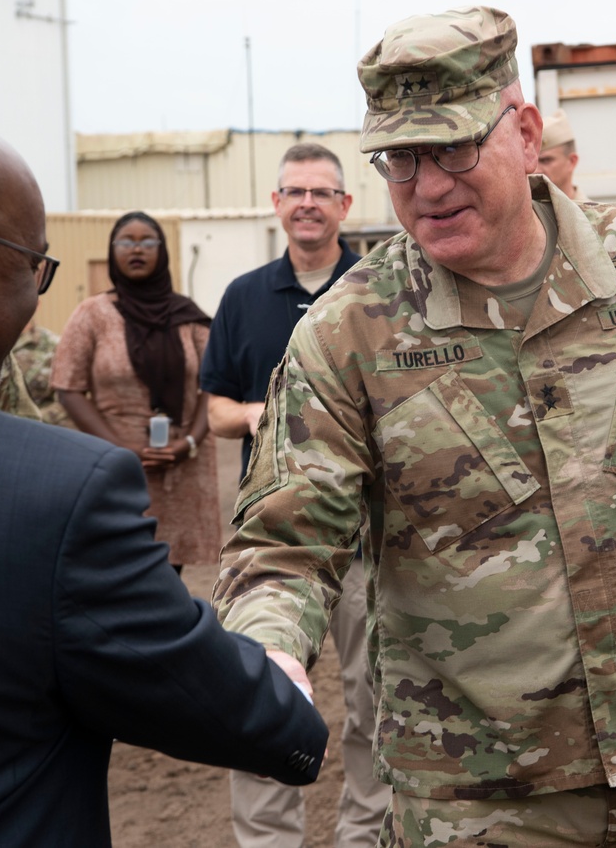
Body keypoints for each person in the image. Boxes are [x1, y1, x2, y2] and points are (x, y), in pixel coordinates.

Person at [213, 6, 616, 847]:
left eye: (455, 147)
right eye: (400, 158)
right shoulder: (348, 330)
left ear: (526, 133)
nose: (427, 185)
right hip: (485, 798)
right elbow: (284, 542)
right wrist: (269, 649)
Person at [0, 98, 327, 847]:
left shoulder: (187, 318)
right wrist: (281, 678)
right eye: (35, 268)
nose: (36, 296)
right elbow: (209, 697)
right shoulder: (50, 495)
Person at [201, 143, 390, 848]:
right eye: (294, 190)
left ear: (346, 206)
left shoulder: (379, 290)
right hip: (276, 539)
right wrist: (258, 414)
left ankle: (364, 837)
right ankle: (269, 842)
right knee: (264, 696)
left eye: (322, 191)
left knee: (378, 701)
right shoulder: (243, 297)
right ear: (276, 205)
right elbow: (213, 409)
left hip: (371, 539)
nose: (307, 202)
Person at [52, 211, 219, 573]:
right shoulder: (92, 314)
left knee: (169, 575)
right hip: (117, 467)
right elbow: (68, 388)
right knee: (119, 568)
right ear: (112, 252)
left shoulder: (188, 316)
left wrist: (189, 442)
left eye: (148, 241)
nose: (137, 249)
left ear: (163, 251)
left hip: (179, 467)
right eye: (126, 241)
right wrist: (119, 448)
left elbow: (214, 383)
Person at [13, 317, 73, 427]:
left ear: (37, 304)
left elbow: (68, 401)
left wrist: (27, 422)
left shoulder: (55, 345)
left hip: (38, 427)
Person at [537, 108, 586, 200]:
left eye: (545, 160)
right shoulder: (526, 213)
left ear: (571, 162)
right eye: (533, 161)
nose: (536, 170)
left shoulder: (599, 213)